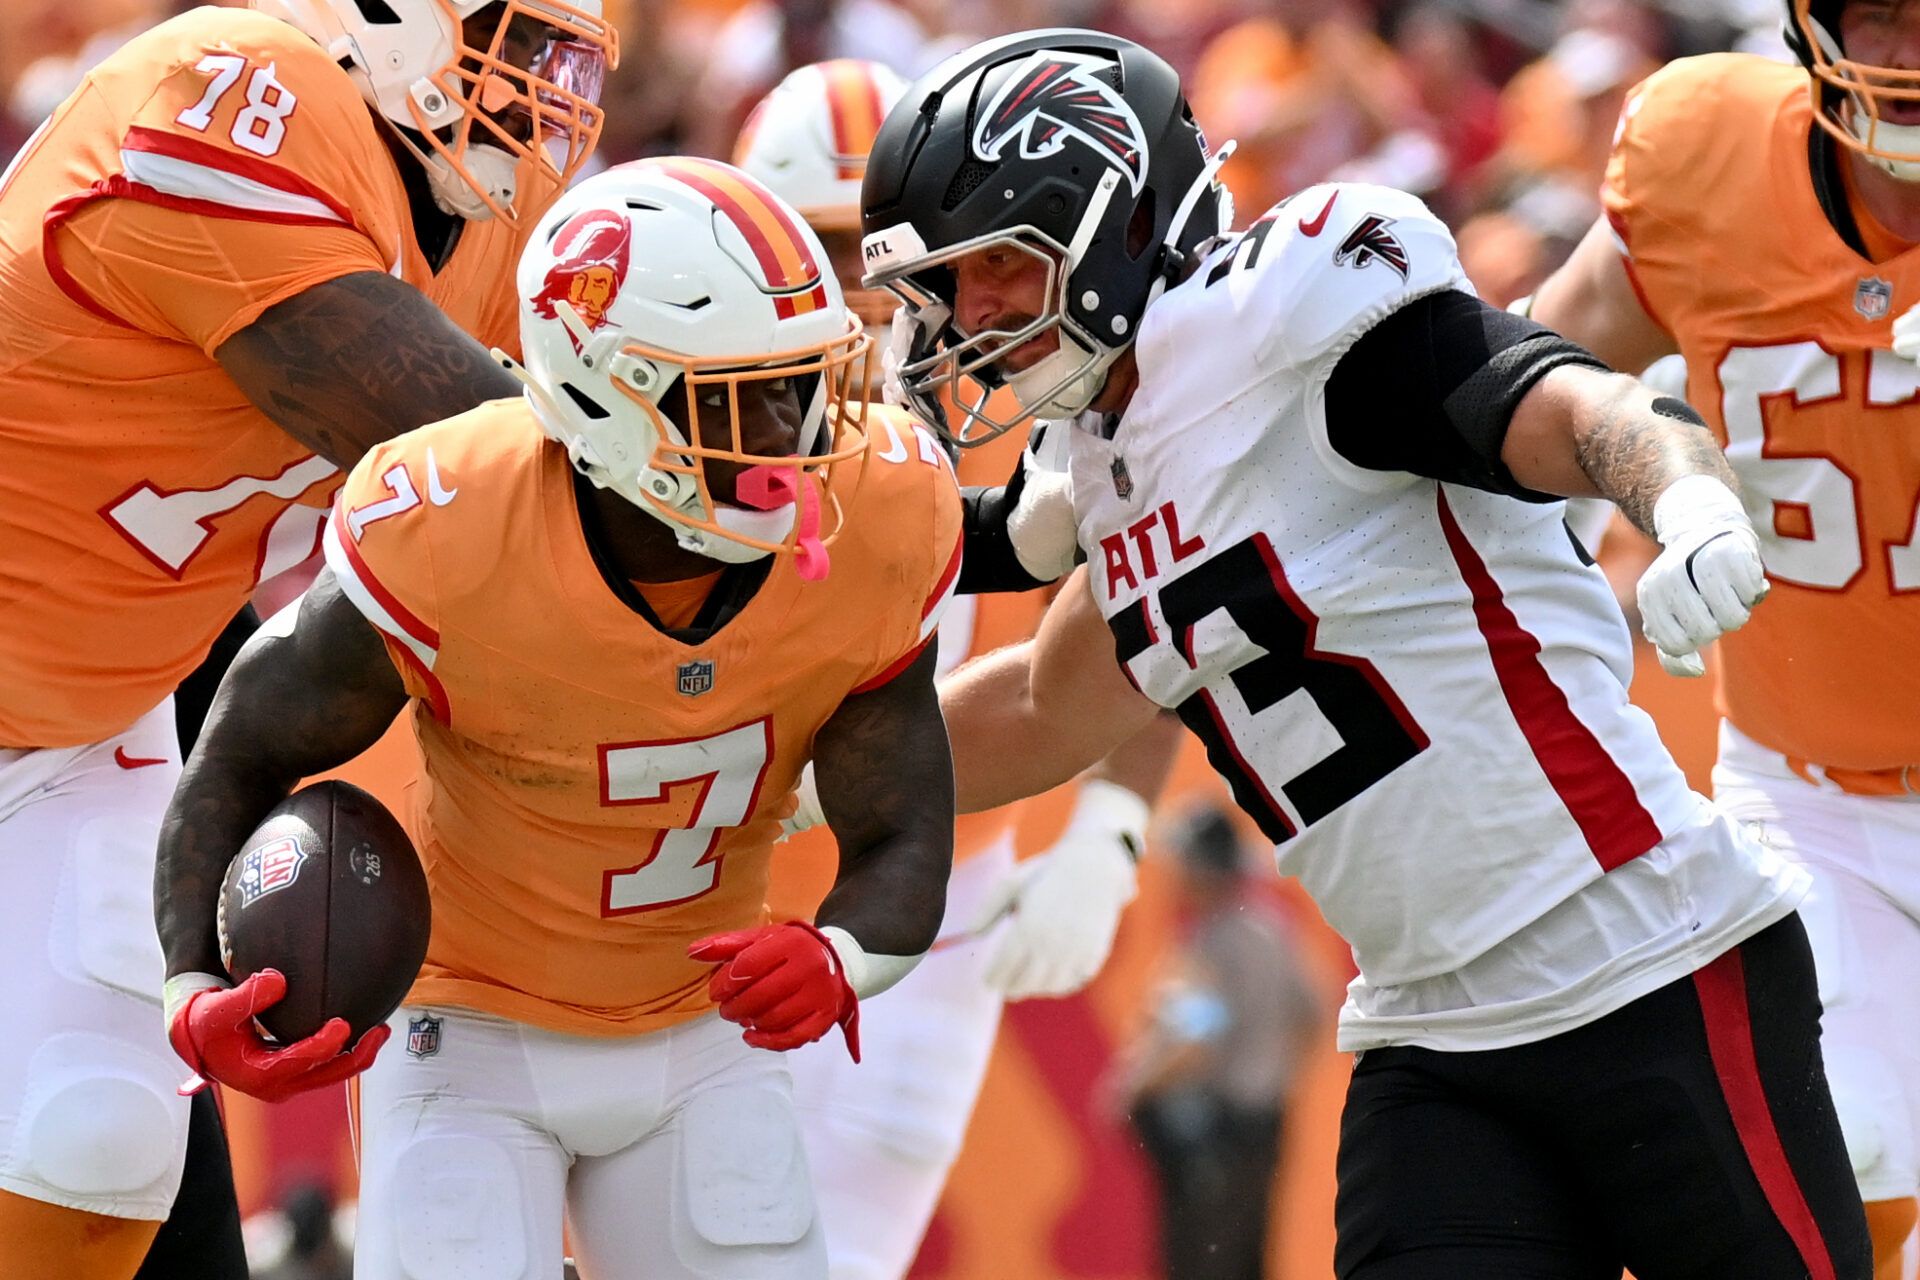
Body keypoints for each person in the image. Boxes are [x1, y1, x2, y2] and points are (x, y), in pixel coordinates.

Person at [861, 27, 1871, 1278]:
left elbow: (1568, 403)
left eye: (1000, 267)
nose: (968, 318)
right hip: (1429, 1032)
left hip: (1651, 957)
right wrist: (764, 763)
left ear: (1116, 226)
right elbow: (1032, 704)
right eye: (947, 287)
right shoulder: (1109, 461)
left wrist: (1687, 495)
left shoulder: (1293, 325)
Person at [153, 156, 965, 1280]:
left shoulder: (880, 510)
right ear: (608, 395)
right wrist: (193, 980)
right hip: (462, 1029)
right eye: (746, 395)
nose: (797, 432)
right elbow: (244, 745)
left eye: (806, 381)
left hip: (699, 1030)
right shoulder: (450, 519)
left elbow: (905, 823)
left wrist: (838, 954)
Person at [0, 1, 615, 1275]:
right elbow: (477, 462)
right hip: (78, 678)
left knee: (97, 1131)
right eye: (519, 43)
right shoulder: (233, 94)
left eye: (569, 61)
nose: (545, 96)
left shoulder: (480, 225)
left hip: (83, 716)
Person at [735, 59, 1179, 1278]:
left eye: (890, 252)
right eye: (823, 246)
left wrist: (1112, 829)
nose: (861, 291)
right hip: (721, 905)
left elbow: (1147, 605)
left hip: (935, 918)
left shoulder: (1030, 389)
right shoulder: (697, 403)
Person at [1526, 0, 1920, 1271]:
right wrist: (1659, 502)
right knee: (1825, 1164)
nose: (1903, 61)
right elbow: (1537, 385)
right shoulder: (1708, 153)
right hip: (1809, 795)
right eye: (1880, 17)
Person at [1110, 806, 1324, 1280]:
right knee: (1249, 1261)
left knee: (1200, 1262)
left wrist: (1130, 1088)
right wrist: (1276, 1077)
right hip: (1264, 1122)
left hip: (1213, 1134)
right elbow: (1313, 1011)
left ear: (1203, 871)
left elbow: (1196, 1034)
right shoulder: (1272, 930)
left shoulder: (1211, 942)